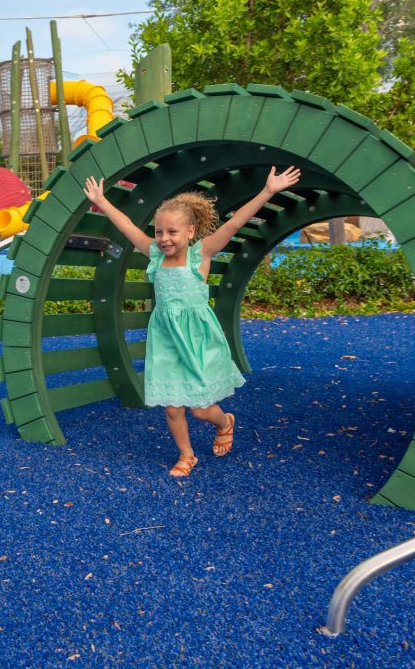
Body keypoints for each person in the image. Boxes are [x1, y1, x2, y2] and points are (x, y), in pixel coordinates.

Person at [83, 166, 302, 477]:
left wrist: (268, 191)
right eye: (159, 231)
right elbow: (128, 225)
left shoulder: (202, 253)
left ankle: (225, 422)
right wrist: (102, 202)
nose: (163, 238)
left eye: (172, 232)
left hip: (199, 339)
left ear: (190, 231)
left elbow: (237, 222)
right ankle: (187, 455)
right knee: (172, 406)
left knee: (200, 409)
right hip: (167, 340)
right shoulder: (154, 255)